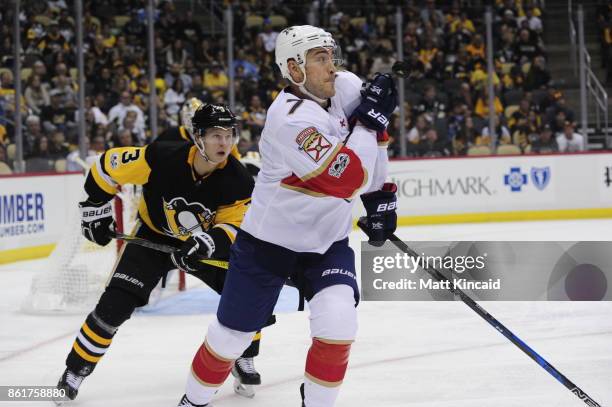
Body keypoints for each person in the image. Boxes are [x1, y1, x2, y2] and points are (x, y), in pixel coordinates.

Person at [176, 25, 398, 407]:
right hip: (267, 247)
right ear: (294, 69)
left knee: (339, 323)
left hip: (327, 243)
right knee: (231, 339)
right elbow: (344, 177)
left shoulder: (345, 86)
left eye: (332, 55)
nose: (332, 66)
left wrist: (382, 196)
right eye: (320, 58)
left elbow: (375, 140)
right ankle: (193, 400)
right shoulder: (288, 119)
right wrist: (368, 122)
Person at [54, 104, 267, 403]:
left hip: (201, 246)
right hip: (151, 237)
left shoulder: (238, 179)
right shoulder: (161, 156)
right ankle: (74, 371)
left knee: (244, 295)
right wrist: (95, 208)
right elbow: (107, 165)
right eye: (216, 135)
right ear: (198, 136)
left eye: (229, 135)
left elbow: (235, 226)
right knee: (113, 307)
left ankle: (245, 356)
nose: (224, 143)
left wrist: (207, 243)